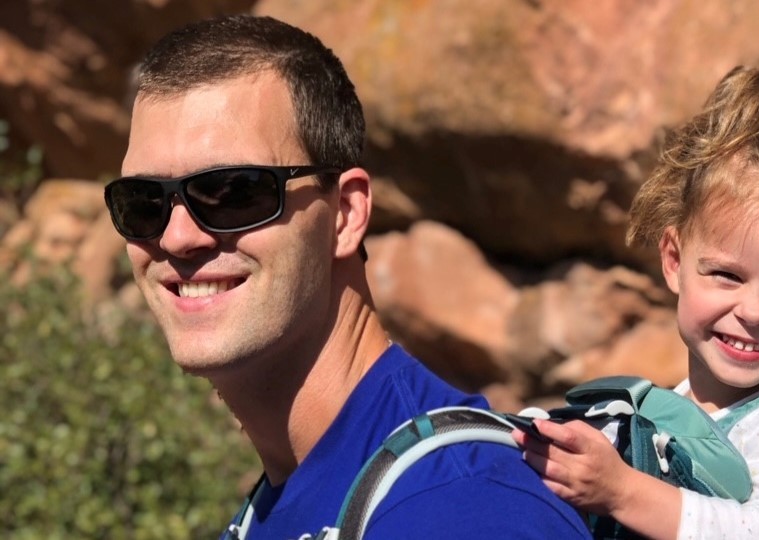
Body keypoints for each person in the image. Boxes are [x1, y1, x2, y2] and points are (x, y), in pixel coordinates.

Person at [105, 15, 592, 540]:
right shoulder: (280, 501)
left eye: (234, 192)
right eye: (143, 203)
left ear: (345, 214)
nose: (178, 238)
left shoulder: (460, 509)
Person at [513, 62, 759, 539]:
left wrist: (623, 492)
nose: (754, 312)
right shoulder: (678, 405)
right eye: (726, 275)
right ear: (675, 261)